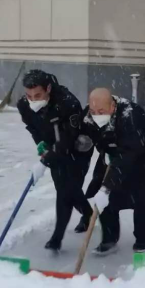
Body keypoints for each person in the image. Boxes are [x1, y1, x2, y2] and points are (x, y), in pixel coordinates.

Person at [17, 70, 93, 251]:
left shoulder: (67, 103)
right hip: (53, 147)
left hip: (78, 148)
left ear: (48, 88)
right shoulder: (24, 104)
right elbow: (33, 127)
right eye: (29, 96)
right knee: (65, 187)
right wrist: (41, 144)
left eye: (38, 95)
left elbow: (67, 139)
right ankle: (89, 214)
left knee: (67, 189)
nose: (33, 100)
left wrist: (45, 161)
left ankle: (57, 238)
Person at [82, 88, 145, 255]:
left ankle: (142, 239)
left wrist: (107, 187)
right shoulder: (88, 116)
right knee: (102, 196)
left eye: (101, 111)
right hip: (111, 154)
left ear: (112, 106)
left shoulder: (131, 117)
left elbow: (129, 155)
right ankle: (109, 239)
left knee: (142, 196)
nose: (96, 115)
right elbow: (80, 136)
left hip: (143, 156)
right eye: (93, 111)